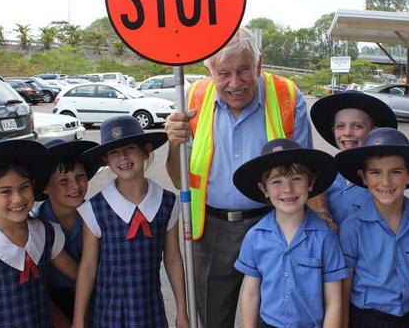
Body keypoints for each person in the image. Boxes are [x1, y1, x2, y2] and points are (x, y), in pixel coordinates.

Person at [164, 27, 312, 327]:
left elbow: (306, 173)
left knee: (273, 317)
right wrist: (173, 144)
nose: (235, 83)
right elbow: (180, 178)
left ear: (259, 65)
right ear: (209, 71)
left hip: (274, 226)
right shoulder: (193, 97)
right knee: (212, 316)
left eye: (244, 70)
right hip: (211, 230)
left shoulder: (286, 95)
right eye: (224, 74)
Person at [73, 116, 189, 328]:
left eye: (129, 149)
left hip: (150, 309)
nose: (123, 158)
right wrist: (78, 321)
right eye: (114, 153)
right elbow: (88, 266)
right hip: (109, 313)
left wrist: (182, 311)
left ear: (146, 151)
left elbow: (173, 259)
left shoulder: (167, 203)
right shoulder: (95, 208)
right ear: (105, 160)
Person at [0, 140, 78, 327]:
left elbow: (77, 275)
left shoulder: (46, 234)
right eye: (5, 191)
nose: (18, 198)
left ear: (33, 186)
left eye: (24, 187)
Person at [232, 138, 347, 327]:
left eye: (296, 179)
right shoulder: (255, 236)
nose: (288, 189)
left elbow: (334, 301)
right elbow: (251, 292)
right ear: (264, 189)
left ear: (310, 183)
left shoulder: (325, 238)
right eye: (277, 181)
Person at [335, 128, 409, 327]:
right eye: (375, 172)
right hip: (367, 318)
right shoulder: (352, 227)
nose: (385, 182)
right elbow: (344, 290)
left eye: (396, 172)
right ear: (363, 177)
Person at [31, 139, 98, 326]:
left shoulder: (100, 217)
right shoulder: (34, 225)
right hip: (49, 304)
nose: (75, 186)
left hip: (97, 299)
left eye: (80, 176)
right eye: (63, 181)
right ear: (45, 187)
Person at [310, 90, 398, 227]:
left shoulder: (384, 178)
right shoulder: (325, 172)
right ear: (334, 131)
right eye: (340, 126)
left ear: (373, 131)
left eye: (357, 126)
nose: (347, 133)